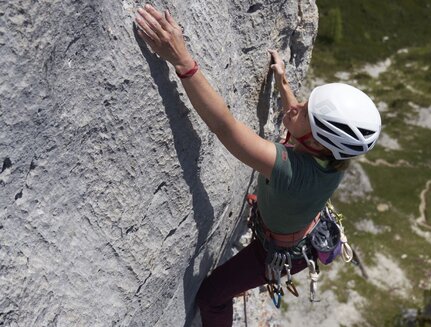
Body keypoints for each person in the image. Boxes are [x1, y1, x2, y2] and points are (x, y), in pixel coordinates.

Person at [135, 5, 381, 326]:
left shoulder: (290, 171)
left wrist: (182, 60)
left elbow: (224, 126)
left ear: (317, 142)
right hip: (293, 227)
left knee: (212, 296)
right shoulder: (332, 157)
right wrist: (283, 83)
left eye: (307, 111)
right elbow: (299, 123)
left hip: (275, 253)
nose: (299, 106)